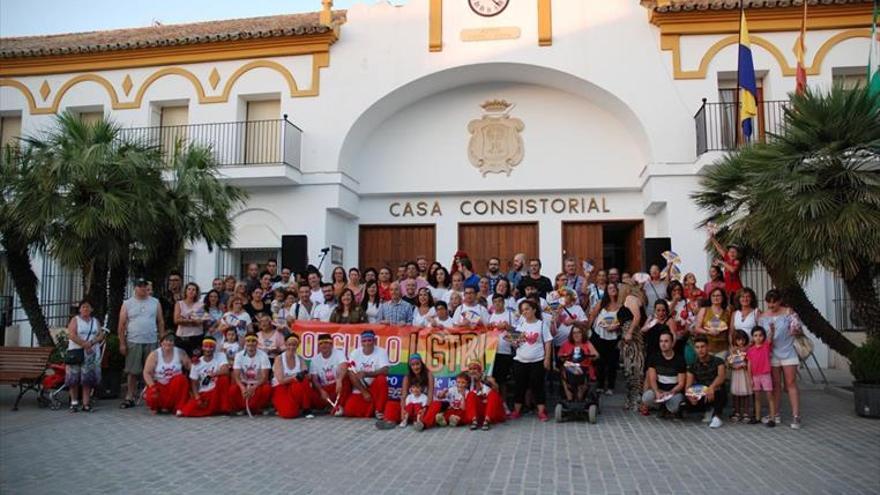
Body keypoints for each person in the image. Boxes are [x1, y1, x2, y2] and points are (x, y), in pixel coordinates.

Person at [759, 289, 803, 429]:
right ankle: (775, 414)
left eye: (774, 302)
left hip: (788, 351)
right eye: (769, 302)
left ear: (779, 301)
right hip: (772, 354)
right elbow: (761, 336)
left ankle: (796, 416)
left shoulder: (789, 312)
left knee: (790, 383)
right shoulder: (762, 317)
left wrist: (795, 328)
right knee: (776, 385)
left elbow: (797, 329)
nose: (771, 305)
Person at [118, 278, 165, 409]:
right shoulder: (127, 303)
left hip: (151, 340)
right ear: (135, 288)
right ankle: (130, 396)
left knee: (151, 371)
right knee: (132, 371)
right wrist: (122, 343)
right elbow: (121, 324)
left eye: (145, 286)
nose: (143, 289)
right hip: (134, 341)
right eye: (140, 286)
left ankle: (151, 396)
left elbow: (160, 321)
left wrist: (162, 338)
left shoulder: (155, 302)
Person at [510, 299, 553, 421]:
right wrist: (514, 342)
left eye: (527, 309)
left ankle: (541, 411)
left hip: (537, 360)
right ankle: (517, 410)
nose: (525, 312)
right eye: (523, 310)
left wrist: (547, 359)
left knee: (538, 386)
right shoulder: (520, 325)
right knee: (519, 386)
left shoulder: (541, 324)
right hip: (520, 360)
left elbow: (548, 342)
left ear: (534, 310)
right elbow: (515, 343)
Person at [379, 353, 442, 429]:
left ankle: (423, 424)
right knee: (391, 404)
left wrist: (425, 408)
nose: (415, 367)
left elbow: (430, 395)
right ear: (410, 366)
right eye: (413, 365)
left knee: (437, 404)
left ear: (421, 364)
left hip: (422, 408)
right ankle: (389, 421)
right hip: (409, 409)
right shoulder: (407, 377)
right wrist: (403, 409)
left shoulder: (429, 375)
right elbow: (404, 396)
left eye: (417, 364)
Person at [65, 300, 105, 413]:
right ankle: (74, 402)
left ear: (91, 309)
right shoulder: (75, 320)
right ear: (80, 309)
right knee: (73, 378)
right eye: (83, 307)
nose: (86, 309)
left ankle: (86, 403)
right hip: (76, 352)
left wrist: (91, 342)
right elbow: (72, 335)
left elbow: (100, 334)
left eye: (88, 307)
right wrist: (84, 344)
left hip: (91, 353)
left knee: (87, 379)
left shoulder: (95, 321)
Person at [178, 337, 231, 417]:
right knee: (188, 411)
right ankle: (213, 409)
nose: (208, 349)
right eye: (206, 346)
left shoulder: (221, 356)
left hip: (217, 390)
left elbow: (226, 370)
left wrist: (212, 375)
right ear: (202, 347)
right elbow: (194, 383)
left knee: (223, 379)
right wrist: (197, 397)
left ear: (214, 348)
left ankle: (224, 409)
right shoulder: (197, 363)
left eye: (211, 347)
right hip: (204, 392)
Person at [344, 330, 390, 418]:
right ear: (361, 342)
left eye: (369, 340)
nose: (367, 343)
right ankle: (371, 408)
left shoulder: (381, 351)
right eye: (364, 341)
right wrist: (364, 392)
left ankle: (379, 410)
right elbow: (351, 373)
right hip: (361, 387)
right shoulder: (355, 353)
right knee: (348, 411)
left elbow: (385, 370)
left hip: (375, 387)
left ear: (374, 341)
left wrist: (367, 374)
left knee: (381, 379)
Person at [641, 329, 686, 417]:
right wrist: (657, 391)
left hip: (673, 392)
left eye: (666, 341)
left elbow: (681, 383)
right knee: (647, 398)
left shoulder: (679, 359)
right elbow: (652, 379)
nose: (663, 344)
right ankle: (661, 407)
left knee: (674, 407)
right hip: (660, 390)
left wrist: (670, 392)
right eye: (661, 341)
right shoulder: (654, 357)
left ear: (672, 343)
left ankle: (669, 409)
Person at [143, 334, 192, 414]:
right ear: (161, 342)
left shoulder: (180, 352)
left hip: (175, 386)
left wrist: (198, 365)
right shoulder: (154, 354)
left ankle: (178, 407)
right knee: (152, 394)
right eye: (166, 340)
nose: (168, 343)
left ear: (174, 343)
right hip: (160, 384)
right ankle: (158, 407)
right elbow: (146, 372)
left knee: (181, 379)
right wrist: (152, 386)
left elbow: (190, 367)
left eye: (171, 341)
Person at [686, 335, 727, 428]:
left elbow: (721, 377)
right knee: (687, 399)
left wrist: (711, 387)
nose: (700, 350)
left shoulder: (718, 361)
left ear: (708, 347)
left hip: (715, 391)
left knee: (720, 390)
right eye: (697, 347)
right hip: (702, 392)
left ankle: (717, 417)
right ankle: (707, 409)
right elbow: (688, 385)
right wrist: (690, 396)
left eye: (702, 347)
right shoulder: (692, 365)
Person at [227, 334, 273, 415]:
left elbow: (265, 377)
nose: (251, 343)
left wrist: (253, 388)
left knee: (267, 389)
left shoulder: (263, 355)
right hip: (244, 383)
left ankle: (258, 408)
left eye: (253, 341)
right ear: (245, 343)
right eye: (248, 341)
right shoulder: (239, 355)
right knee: (233, 390)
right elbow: (236, 376)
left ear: (257, 343)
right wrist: (242, 388)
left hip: (258, 384)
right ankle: (241, 408)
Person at [589, 283, 622, 395]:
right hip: (600, 335)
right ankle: (600, 385)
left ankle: (611, 386)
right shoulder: (601, 303)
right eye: (610, 288)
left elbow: (624, 321)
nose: (612, 290)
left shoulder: (621, 305)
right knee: (600, 362)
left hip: (614, 337)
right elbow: (593, 316)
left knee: (612, 362)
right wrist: (587, 331)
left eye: (614, 288)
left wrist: (616, 326)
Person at [618, 281, 646, 411]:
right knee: (630, 367)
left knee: (634, 367)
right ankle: (632, 398)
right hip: (627, 336)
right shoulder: (630, 299)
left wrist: (629, 332)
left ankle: (636, 399)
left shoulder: (631, 298)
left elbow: (637, 317)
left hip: (632, 337)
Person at [271, 333, 312, 419]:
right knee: (289, 414)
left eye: (294, 345)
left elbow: (306, 374)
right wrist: (295, 377)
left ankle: (306, 408)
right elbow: (281, 380)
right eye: (289, 345)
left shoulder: (300, 359)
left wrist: (306, 375)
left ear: (298, 346)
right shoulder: (279, 359)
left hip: (293, 387)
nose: (292, 347)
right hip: (281, 387)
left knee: (304, 381)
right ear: (285, 345)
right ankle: (287, 406)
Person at [308, 334, 350, 416]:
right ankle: (329, 406)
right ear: (318, 346)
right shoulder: (314, 360)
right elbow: (314, 379)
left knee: (346, 379)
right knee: (311, 391)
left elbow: (344, 366)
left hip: (337, 387)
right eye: (321, 344)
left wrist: (339, 379)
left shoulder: (338, 353)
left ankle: (339, 406)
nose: (324, 345)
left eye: (326, 343)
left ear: (331, 345)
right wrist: (321, 391)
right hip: (325, 389)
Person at [557, 326, 599, 403]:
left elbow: (596, 355)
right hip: (570, 368)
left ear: (582, 334)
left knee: (583, 375)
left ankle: (579, 399)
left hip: (585, 367)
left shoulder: (587, 343)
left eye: (579, 332)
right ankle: (569, 399)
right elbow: (560, 356)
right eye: (574, 333)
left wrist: (591, 357)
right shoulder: (566, 344)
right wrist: (565, 356)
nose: (576, 335)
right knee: (564, 370)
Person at [488, 293, 515, 408]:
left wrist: (508, 327)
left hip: (505, 351)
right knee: (492, 379)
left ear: (504, 302)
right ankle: (495, 403)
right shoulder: (491, 316)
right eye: (495, 302)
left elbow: (517, 332)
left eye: (500, 301)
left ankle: (504, 403)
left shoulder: (510, 314)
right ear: (492, 304)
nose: (498, 304)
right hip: (492, 352)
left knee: (503, 380)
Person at [747, 325, 776, 427]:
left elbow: (770, 338)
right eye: (755, 335)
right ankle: (758, 417)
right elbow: (749, 365)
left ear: (763, 336)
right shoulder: (750, 350)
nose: (758, 337)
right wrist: (750, 378)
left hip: (765, 375)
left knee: (769, 397)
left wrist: (772, 330)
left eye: (760, 335)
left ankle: (772, 419)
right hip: (755, 376)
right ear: (752, 337)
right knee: (757, 398)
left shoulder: (766, 346)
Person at [463, 361, 505, 430]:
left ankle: (487, 420)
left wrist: (482, 380)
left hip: (490, 409)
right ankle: (474, 420)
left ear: (480, 370)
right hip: (478, 410)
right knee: (470, 394)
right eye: (470, 369)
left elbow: (497, 391)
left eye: (474, 369)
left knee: (493, 394)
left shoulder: (488, 379)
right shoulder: (468, 381)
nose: (472, 371)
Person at [695, 288, 731, 358]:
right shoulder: (704, 310)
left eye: (718, 296)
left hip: (723, 348)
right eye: (713, 296)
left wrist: (731, 346)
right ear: (710, 298)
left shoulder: (727, 312)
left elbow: (729, 331)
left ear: (723, 298)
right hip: (706, 348)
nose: (715, 298)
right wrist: (708, 332)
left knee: (721, 367)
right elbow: (697, 328)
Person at [174, 282, 205, 358]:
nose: (191, 291)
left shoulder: (200, 305)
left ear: (197, 292)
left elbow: (199, 321)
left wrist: (184, 319)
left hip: (196, 337)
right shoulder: (179, 304)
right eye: (189, 289)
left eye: (194, 290)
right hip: (182, 337)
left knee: (196, 359)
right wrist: (192, 320)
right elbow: (176, 320)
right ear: (185, 291)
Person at [709, 234, 742, 303]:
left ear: (737, 254)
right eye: (730, 251)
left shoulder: (736, 262)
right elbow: (720, 249)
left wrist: (721, 262)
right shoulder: (727, 259)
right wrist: (713, 239)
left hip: (736, 290)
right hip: (729, 290)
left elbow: (732, 270)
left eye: (734, 252)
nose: (732, 253)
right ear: (728, 253)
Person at [728, 330, 752, 423]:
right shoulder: (733, 350)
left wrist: (745, 364)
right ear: (735, 340)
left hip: (745, 373)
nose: (741, 342)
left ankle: (746, 412)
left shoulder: (748, 350)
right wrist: (733, 365)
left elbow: (750, 361)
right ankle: (737, 412)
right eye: (738, 340)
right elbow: (729, 363)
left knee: (745, 392)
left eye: (743, 340)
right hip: (736, 374)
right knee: (736, 393)